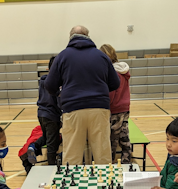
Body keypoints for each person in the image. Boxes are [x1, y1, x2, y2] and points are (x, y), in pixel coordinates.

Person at [45, 25, 120, 165]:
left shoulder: (62, 56)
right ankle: (104, 184)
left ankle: (72, 185)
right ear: (88, 36)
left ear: (70, 37)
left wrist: (61, 94)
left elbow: (49, 85)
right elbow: (115, 83)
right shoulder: (101, 56)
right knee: (102, 152)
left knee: (72, 154)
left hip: (73, 109)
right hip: (99, 108)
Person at [99, 44, 132, 163]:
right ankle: (126, 160)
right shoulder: (123, 70)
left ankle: (110, 162)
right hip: (125, 107)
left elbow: (112, 93)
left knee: (112, 137)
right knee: (124, 134)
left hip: (114, 109)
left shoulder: (112, 72)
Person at [27, 56, 62, 166]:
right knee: (52, 144)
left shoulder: (43, 81)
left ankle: (34, 146)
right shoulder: (55, 83)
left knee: (47, 137)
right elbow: (57, 101)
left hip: (41, 113)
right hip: (51, 115)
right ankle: (51, 167)